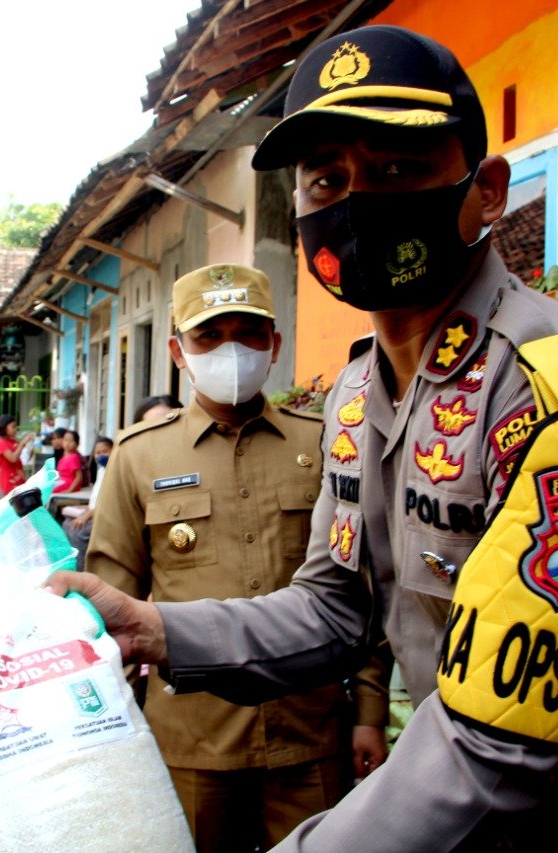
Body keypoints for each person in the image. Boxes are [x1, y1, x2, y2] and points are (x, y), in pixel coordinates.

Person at [49, 25, 558, 850]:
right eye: (326, 181)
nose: (354, 202)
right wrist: (152, 627)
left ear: (487, 190)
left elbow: (501, 744)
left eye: (395, 169)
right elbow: (333, 608)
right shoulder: (358, 392)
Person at [87, 264, 373, 852]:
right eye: (209, 336)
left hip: (310, 731)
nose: (231, 349)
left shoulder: (323, 443)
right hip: (190, 738)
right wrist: (108, 732)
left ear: (275, 345)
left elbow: (362, 588)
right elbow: (108, 610)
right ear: (177, 351)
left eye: (248, 333)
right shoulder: (138, 456)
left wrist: (368, 709)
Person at [63, 435, 115, 571]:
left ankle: (83, 571)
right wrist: (82, 507)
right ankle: (71, 565)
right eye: (97, 453)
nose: (101, 455)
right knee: (67, 524)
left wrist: (85, 516)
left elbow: (107, 501)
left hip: (107, 515)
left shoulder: (115, 471)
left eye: (105, 451)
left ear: (114, 451)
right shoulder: (102, 471)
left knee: (78, 532)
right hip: (96, 511)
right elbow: (96, 499)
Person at [0, 413, 35, 497]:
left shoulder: (14, 441)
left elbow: (21, 460)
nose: (15, 429)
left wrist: (30, 448)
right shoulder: (1, 442)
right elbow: (13, 458)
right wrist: (22, 443)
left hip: (19, 477)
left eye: (16, 427)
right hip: (9, 480)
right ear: (4, 427)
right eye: (13, 427)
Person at [54, 428, 85, 493]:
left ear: (77, 444)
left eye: (71, 441)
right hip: (62, 482)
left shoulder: (74, 457)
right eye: (65, 440)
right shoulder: (63, 458)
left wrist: (69, 490)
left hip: (69, 484)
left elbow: (79, 477)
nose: (67, 443)